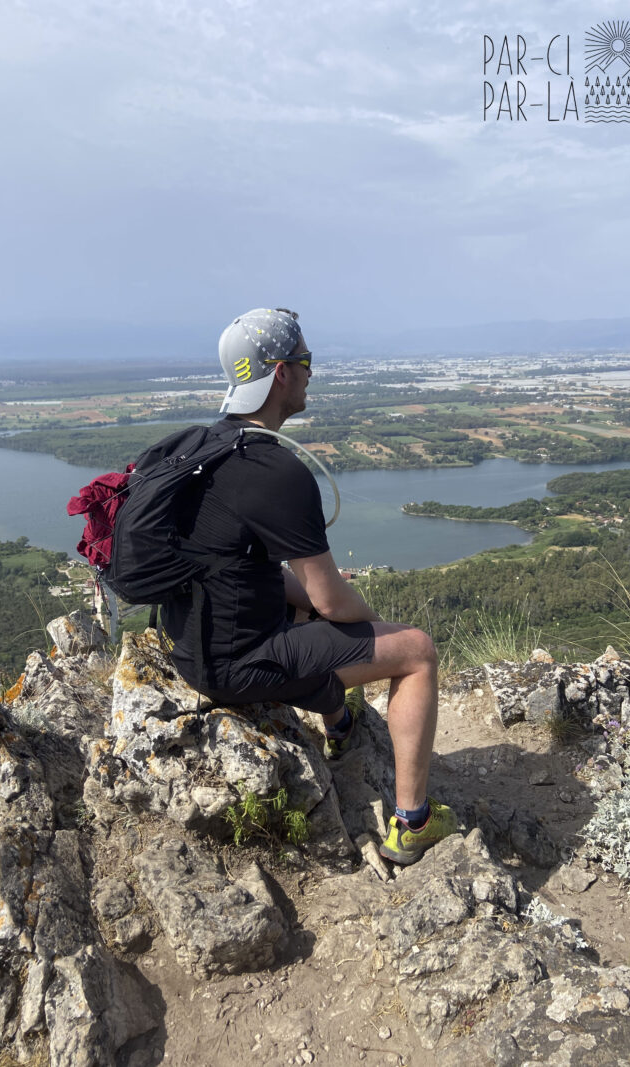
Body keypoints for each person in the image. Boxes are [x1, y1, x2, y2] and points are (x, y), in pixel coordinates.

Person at [161, 307, 457, 864]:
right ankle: (412, 823)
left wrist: (321, 608)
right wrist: (368, 625)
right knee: (416, 650)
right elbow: (331, 598)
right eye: (305, 361)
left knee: (308, 613)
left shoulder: (201, 447)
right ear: (280, 374)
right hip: (237, 666)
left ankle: (341, 725)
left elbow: (243, 570)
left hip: (189, 647)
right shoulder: (276, 470)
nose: (311, 374)